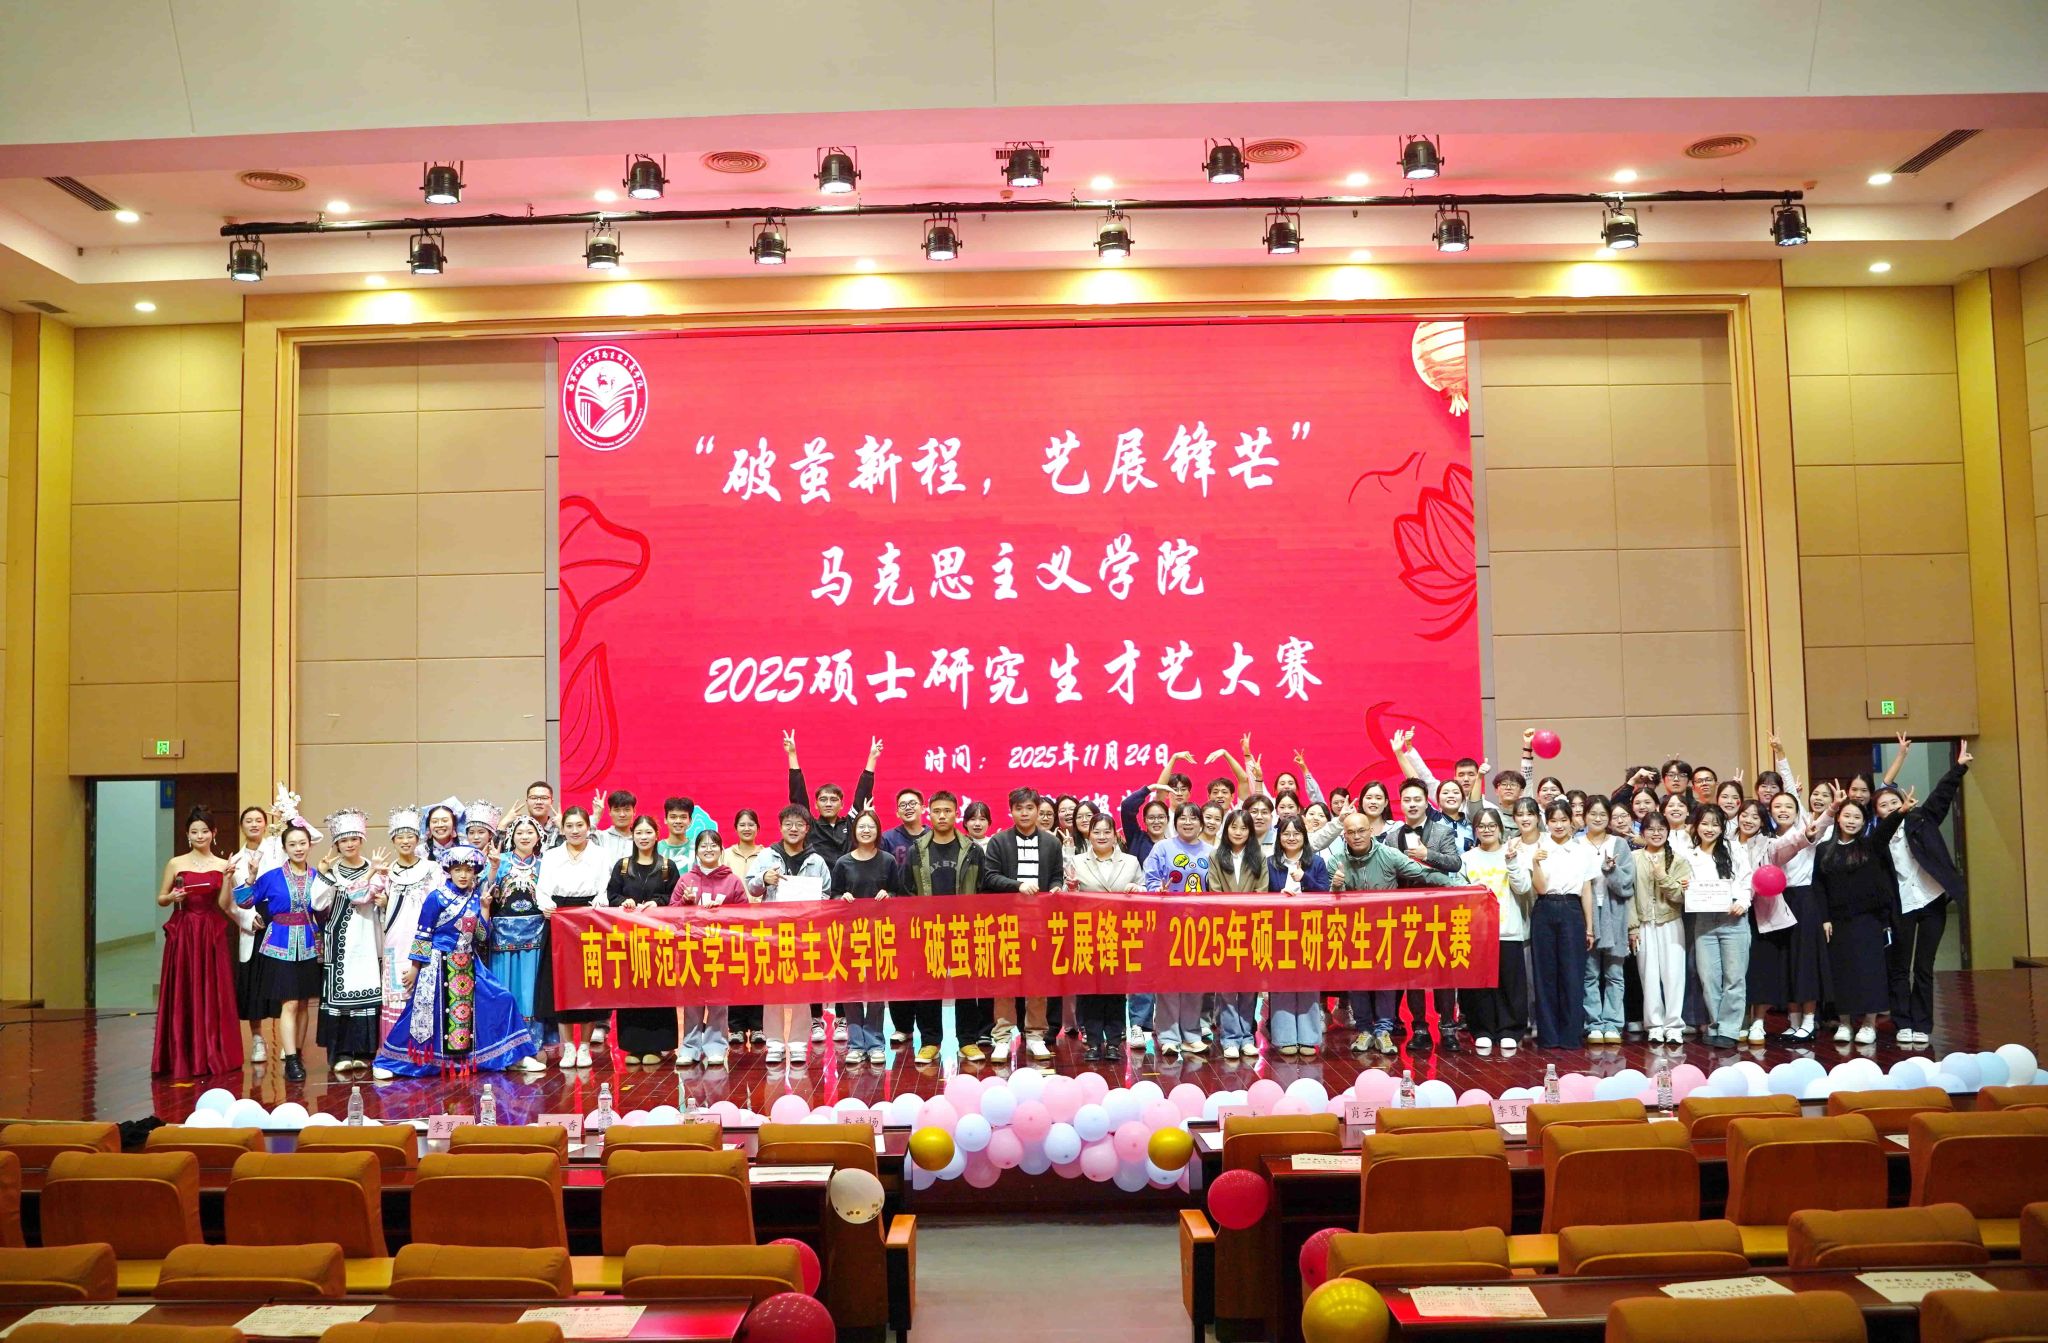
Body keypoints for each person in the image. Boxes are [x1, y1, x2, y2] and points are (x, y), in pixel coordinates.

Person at [372, 844, 545, 1078]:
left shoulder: (475, 898)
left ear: (475, 872)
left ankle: (513, 1056)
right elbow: (423, 935)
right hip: (437, 966)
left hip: (469, 964)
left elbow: (481, 936)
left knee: (501, 999)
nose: (463, 875)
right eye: (458, 870)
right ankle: (389, 1061)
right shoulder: (436, 898)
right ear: (449, 872)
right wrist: (414, 969)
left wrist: (485, 908)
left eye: (468, 870)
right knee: (420, 1015)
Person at [1326, 808, 1463, 1055]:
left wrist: (1458, 887)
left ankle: (1383, 1031)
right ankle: (1365, 1029)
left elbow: (1422, 872)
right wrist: (1337, 886)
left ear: (1370, 831)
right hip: (1353, 933)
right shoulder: (1336, 862)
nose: (1356, 836)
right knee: (1357, 983)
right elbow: (1332, 903)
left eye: (1361, 831)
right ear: (1343, 835)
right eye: (1350, 832)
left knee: (1386, 983)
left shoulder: (1389, 854)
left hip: (1385, 930)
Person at [1881, 739, 1971, 1047]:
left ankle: (1922, 1023)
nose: (1890, 808)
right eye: (1883, 805)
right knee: (1899, 966)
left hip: (1931, 899)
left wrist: (1958, 768)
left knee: (1924, 965)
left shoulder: (1921, 819)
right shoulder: (1878, 839)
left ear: (1904, 803)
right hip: (1901, 905)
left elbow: (1941, 796)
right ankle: (1902, 1021)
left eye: (1893, 802)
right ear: (1877, 813)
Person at [234, 818, 333, 1083]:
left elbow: (324, 911)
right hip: (279, 945)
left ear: (309, 845)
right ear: (285, 848)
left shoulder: (317, 876)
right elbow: (244, 901)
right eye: (292, 844)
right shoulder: (272, 876)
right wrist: (251, 876)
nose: (298, 848)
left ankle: (297, 1052)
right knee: (289, 1003)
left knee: (303, 1004)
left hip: (310, 946)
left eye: (302, 843)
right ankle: (291, 1060)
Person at [979, 786, 1067, 1062]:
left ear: (1038, 810)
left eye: (1030, 808)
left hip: (1040, 924)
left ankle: (1036, 1036)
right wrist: (1017, 885)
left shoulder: (1052, 843)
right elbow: (989, 877)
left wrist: (1056, 887)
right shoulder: (998, 841)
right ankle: (1002, 1037)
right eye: (1019, 808)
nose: (1025, 813)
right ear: (1011, 811)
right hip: (1007, 923)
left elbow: (1056, 875)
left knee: (1037, 983)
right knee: (1005, 983)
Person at [152, 807, 241, 1077]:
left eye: (204, 831)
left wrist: (227, 879)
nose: (199, 836)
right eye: (194, 832)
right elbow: (161, 898)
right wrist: (173, 897)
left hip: (211, 930)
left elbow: (224, 904)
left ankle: (213, 1053)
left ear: (213, 833)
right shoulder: (175, 863)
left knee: (213, 989)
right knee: (184, 988)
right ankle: (182, 1054)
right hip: (184, 929)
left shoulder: (222, 864)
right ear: (187, 835)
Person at [1815, 793, 1910, 1045]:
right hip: (1837, 921)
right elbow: (1819, 886)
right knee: (1842, 972)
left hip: (1868, 919)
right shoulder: (1824, 850)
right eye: (1847, 815)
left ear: (1864, 822)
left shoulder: (1869, 845)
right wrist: (1825, 918)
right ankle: (1845, 1023)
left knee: (1870, 972)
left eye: (1857, 817)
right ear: (1838, 818)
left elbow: (1885, 831)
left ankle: (1869, 1024)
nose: (1851, 821)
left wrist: (1901, 812)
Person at [745, 806, 832, 1066]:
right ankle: (774, 1043)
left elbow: (826, 895)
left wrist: (814, 900)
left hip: (804, 935)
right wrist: (764, 878)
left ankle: (797, 1044)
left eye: (799, 824)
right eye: (788, 824)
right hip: (773, 933)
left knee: (801, 991)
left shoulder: (817, 861)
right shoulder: (767, 856)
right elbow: (751, 886)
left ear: (807, 829)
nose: (793, 829)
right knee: (772, 991)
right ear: (780, 827)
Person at [1383, 777, 1465, 1051]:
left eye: (1417, 799)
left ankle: (1448, 1028)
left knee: (1444, 970)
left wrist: (1426, 853)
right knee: (1413, 973)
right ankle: (1419, 1028)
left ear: (1426, 801)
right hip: (1407, 913)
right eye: (1407, 800)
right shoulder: (1392, 836)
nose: (1412, 804)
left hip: (1440, 911)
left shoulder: (1442, 832)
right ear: (1401, 803)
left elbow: (1455, 863)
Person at [901, 791, 979, 1063]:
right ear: (929, 813)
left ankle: (967, 1041)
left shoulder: (972, 850)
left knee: (966, 987)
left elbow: (982, 890)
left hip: (963, 929)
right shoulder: (916, 850)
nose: (942, 816)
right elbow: (907, 890)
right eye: (937, 811)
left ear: (956, 814)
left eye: (947, 811)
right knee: (927, 987)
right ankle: (930, 1042)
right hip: (928, 931)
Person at [534, 806, 611, 1067]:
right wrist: (546, 905)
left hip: (589, 918)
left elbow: (605, 887)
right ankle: (568, 1047)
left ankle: (585, 1046)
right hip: (559, 919)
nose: (575, 830)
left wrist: (600, 902)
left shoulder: (600, 854)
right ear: (562, 828)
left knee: (588, 982)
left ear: (588, 827)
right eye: (569, 826)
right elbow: (542, 889)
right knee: (561, 983)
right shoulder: (552, 855)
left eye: (580, 825)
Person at [314, 809, 388, 1073]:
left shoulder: (375, 868)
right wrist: (323, 874)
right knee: (341, 996)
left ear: (361, 840)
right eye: (343, 840)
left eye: (354, 839)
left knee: (369, 989)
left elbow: (375, 901)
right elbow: (318, 903)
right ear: (336, 843)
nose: (349, 844)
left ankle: (365, 1051)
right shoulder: (331, 871)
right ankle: (341, 1053)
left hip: (368, 937)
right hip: (341, 942)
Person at [1141, 803, 1215, 1056]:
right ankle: (1168, 1035)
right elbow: (1150, 879)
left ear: (1201, 823)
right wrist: (1157, 891)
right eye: (1183, 818)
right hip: (1167, 926)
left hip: (1200, 927)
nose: (1188, 822)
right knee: (1168, 982)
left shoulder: (1211, 852)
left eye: (1193, 818)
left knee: (1195, 982)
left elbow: (1216, 889)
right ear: (1175, 822)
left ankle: (1191, 1034)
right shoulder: (1162, 848)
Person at [828, 811, 900, 1065]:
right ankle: (856, 1044)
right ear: (854, 831)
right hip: (850, 937)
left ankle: (875, 1042)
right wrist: (841, 898)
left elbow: (898, 893)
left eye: (871, 826)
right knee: (851, 992)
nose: (866, 831)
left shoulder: (888, 860)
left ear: (878, 830)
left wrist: (889, 895)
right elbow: (833, 896)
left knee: (877, 991)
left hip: (879, 934)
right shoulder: (843, 863)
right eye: (861, 827)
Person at [1068, 812, 1142, 1061]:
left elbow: (1144, 890)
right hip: (1087, 934)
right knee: (1089, 990)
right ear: (1089, 835)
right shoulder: (1077, 861)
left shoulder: (1130, 862)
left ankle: (1113, 1042)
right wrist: (1071, 887)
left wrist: (1137, 888)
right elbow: (1067, 898)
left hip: (1120, 934)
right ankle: (1092, 1041)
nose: (1102, 836)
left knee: (1116, 990)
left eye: (1107, 831)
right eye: (1096, 831)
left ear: (1115, 835)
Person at [608, 815, 682, 1063]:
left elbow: (675, 897)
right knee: (631, 991)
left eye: (648, 832)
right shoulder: (622, 866)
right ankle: (633, 1047)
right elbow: (612, 895)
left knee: (658, 990)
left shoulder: (667, 866)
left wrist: (658, 903)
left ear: (657, 835)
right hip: (629, 941)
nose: (643, 837)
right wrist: (623, 902)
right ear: (633, 835)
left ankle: (658, 1046)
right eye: (639, 832)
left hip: (658, 941)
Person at [672, 829, 746, 1067]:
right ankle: (690, 1047)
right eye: (703, 846)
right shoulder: (685, 880)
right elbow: (671, 913)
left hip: (720, 951)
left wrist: (724, 912)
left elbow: (745, 916)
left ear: (721, 850)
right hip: (691, 951)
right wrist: (685, 903)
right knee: (692, 1002)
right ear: (696, 852)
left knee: (718, 1002)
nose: (708, 849)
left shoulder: (733, 881)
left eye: (713, 845)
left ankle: (716, 1046)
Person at [1461, 807, 1531, 1055]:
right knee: (1480, 985)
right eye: (1481, 826)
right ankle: (1482, 1030)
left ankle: (1509, 1030)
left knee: (1509, 983)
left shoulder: (1513, 853)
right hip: (1477, 933)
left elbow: (1523, 887)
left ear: (1500, 828)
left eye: (1492, 825)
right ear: (1475, 830)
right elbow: (1460, 891)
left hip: (1508, 930)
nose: (1487, 830)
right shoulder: (1467, 858)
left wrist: (1511, 862)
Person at [1528, 800, 1595, 1050]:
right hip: (1545, 907)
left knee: (1572, 973)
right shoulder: (1539, 848)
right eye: (1553, 820)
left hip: (1572, 909)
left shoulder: (1582, 850)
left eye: (1563, 820)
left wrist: (1589, 927)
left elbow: (1586, 890)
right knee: (1544, 973)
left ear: (1571, 822)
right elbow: (1540, 888)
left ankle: (1571, 1036)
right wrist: (1535, 863)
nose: (1558, 825)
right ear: (1546, 822)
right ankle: (1548, 1035)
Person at [1266, 815, 1330, 1056]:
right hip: (1279, 933)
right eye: (1286, 834)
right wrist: (1279, 897)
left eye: (1296, 833)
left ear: (1304, 836)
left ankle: (1308, 1038)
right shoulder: (1270, 863)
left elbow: (1325, 893)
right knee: (1281, 985)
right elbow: (1261, 895)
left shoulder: (1317, 862)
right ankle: (1284, 1038)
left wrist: (1305, 879)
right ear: (1279, 837)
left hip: (1309, 931)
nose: (1291, 838)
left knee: (1308, 985)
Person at [378, 809, 444, 1043]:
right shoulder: (386, 872)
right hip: (395, 940)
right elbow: (366, 900)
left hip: (424, 938)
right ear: (393, 840)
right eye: (399, 837)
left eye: (410, 836)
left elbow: (439, 906)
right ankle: (395, 1049)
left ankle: (423, 1050)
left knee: (425, 994)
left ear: (418, 839)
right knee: (397, 995)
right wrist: (383, 900)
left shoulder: (433, 869)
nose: (405, 841)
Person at [1209, 809, 1267, 1061]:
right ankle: (1230, 1037)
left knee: (1249, 986)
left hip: (1252, 929)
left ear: (1250, 832)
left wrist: (1246, 912)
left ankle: (1246, 1037)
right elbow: (1214, 891)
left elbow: (1262, 891)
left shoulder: (1259, 856)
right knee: (1226, 987)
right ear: (1226, 829)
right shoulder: (1215, 855)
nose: (1238, 832)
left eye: (1244, 828)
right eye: (1234, 827)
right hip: (1224, 928)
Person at [486, 815, 549, 1042]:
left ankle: (532, 1042)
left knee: (530, 991)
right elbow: (484, 891)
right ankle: (504, 1043)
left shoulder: (545, 864)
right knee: (504, 989)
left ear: (539, 837)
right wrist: (493, 868)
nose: (524, 836)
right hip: (502, 936)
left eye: (530, 832)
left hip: (535, 935)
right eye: (519, 832)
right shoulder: (499, 860)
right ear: (511, 836)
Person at [226, 804, 280, 1064]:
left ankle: (287, 1040)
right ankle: (258, 1039)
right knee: (253, 986)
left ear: (266, 825)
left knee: (281, 982)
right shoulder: (234, 861)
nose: (254, 824)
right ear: (241, 826)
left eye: (259, 820)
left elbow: (312, 837)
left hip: (278, 921)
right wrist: (248, 918)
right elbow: (231, 903)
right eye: (249, 820)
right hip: (253, 923)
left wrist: (291, 815)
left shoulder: (278, 849)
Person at [1631, 812, 1691, 1045]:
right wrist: (1632, 926)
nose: (1656, 833)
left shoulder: (1678, 860)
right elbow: (1628, 895)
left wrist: (1663, 876)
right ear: (1642, 832)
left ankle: (1674, 1026)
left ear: (1667, 832)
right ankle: (1654, 1025)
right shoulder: (1634, 858)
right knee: (1649, 976)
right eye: (1650, 829)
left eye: (1661, 829)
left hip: (1671, 922)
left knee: (1674, 975)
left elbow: (1681, 896)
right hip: (1644, 924)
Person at [1580, 799, 1636, 1045]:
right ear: (1584, 816)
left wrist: (1611, 870)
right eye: (1593, 813)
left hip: (1615, 913)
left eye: (1603, 814)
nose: (1598, 818)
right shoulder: (1576, 844)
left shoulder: (1619, 844)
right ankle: (1593, 1023)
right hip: (1586, 913)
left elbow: (1626, 885)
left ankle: (1613, 1023)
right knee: (1589, 973)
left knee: (1615, 973)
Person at [784, 730, 879, 866]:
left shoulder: (851, 823)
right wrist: (792, 754)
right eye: (823, 800)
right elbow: (798, 796)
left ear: (842, 805)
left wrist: (872, 759)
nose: (828, 804)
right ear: (816, 804)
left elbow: (863, 794)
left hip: (849, 878)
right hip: (819, 878)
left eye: (833, 800)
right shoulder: (810, 826)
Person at [720, 809, 766, 1047]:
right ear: (735, 828)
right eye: (742, 825)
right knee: (735, 973)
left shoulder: (767, 854)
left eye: (751, 824)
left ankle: (758, 1026)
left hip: (760, 923)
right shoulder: (725, 855)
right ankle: (736, 1027)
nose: (747, 828)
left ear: (758, 828)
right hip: (732, 924)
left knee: (758, 973)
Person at [656, 796, 719, 867]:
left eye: (683, 817)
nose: (678, 821)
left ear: (690, 821)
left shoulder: (698, 849)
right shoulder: (655, 849)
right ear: (665, 820)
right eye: (673, 817)